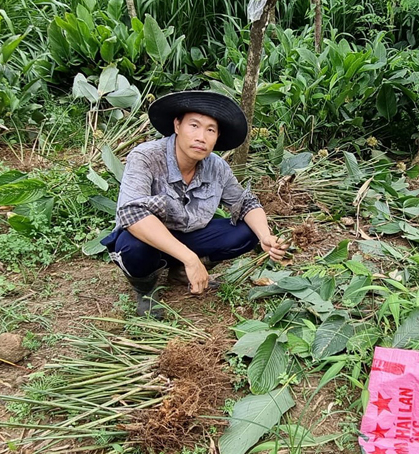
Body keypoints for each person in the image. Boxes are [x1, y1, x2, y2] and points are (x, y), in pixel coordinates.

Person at [101, 90, 288, 318]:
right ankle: (146, 289)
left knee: (246, 231)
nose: (201, 137)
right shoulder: (146, 157)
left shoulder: (217, 167)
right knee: (133, 246)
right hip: (151, 240)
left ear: (217, 137)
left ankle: (180, 272)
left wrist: (265, 236)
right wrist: (190, 258)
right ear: (177, 125)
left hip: (190, 235)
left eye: (211, 130)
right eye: (194, 126)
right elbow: (131, 214)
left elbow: (246, 202)